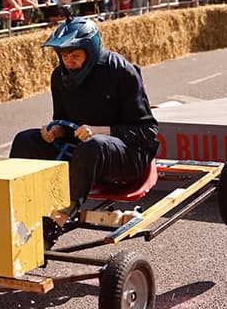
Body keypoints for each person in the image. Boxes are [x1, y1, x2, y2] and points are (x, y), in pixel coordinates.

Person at [9, 16, 159, 227]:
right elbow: (65, 124)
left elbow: (147, 131)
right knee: (26, 139)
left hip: (128, 157)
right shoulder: (59, 77)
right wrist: (57, 131)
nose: (69, 61)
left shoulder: (121, 71)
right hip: (83, 155)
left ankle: (60, 216)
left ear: (91, 50)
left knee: (94, 144)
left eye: (75, 55)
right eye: (64, 55)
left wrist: (100, 131)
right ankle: (17, 203)